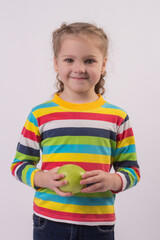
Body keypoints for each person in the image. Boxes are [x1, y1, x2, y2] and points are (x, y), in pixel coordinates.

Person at [11, 22, 140, 240]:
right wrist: (44, 179)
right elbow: (19, 165)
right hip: (49, 222)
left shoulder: (117, 117)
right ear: (56, 64)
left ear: (103, 64)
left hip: (98, 225)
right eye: (69, 60)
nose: (79, 68)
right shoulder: (40, 114)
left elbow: (132, 171)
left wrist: (113, 181)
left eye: (89, 60)